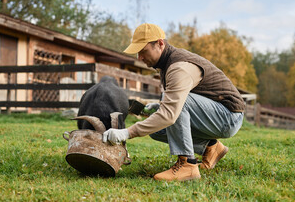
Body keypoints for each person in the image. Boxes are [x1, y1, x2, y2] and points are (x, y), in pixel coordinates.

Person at [102, 23, 244, 181]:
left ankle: (188, 165)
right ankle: (210, 147)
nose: (139, 58)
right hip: (215, 114)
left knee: (170, 111)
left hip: (228, 117)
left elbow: (170, 114)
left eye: (143, 51)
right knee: (157, 129)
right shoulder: (166, 64)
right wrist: (157, 107)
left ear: (160, 44)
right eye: (137, 53)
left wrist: (126, 133)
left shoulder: (178, 67)